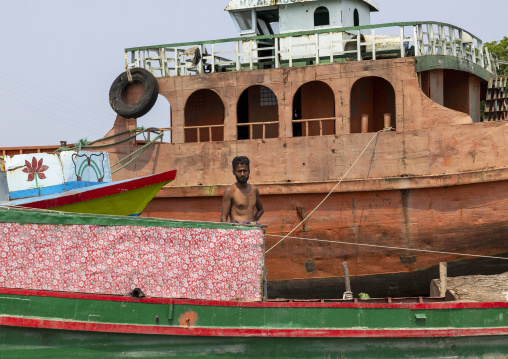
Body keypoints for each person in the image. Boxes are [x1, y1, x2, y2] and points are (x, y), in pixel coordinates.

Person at [221, 156, 264, 224]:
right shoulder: (230, 191)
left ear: (249, 171)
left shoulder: (254, 189)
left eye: (245, 171)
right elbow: (223, 217)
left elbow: (261, 210)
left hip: (251, 230)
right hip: (237, 231)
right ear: (234, 172)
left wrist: (252, 222)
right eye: (239, 171)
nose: (242, 174)